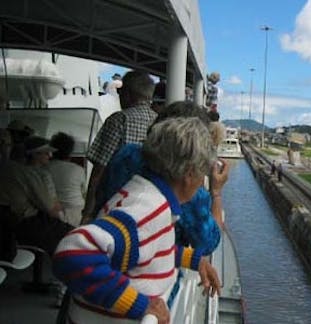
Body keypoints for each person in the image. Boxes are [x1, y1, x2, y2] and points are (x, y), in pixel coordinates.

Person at [53, 117, 221, 324]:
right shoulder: (148, 208)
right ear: (189, 174)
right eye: (202, 174)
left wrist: (194, 260)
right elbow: (72, 254)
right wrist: (140, 305)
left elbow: (145, 249)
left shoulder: (146, 193)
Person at [94, 101, 227, 254]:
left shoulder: (127, 153)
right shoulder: (186, 189)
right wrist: (216, 192)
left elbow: (101, 194)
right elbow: (208, 242)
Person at [83, 70, 157, 223]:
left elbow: (100, 168)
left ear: (128, 94)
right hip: (148, 204)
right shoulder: (159, 121)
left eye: (120, 92)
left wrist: (89, 211)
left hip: (114, 202)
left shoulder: (119, 120)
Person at [0, 134, 72, 256]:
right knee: (72, 236)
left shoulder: (7, 167)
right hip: (22, 223)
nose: (50, 156)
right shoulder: (28, 173)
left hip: (9, 223)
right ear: (35, 154)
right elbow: (49, 207)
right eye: (46, 152)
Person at [46, 132, 86, 227]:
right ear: (70, 151)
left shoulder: (44, 168)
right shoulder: (78, 169)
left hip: (52, 212)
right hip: (76, 213)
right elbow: (83, 192)